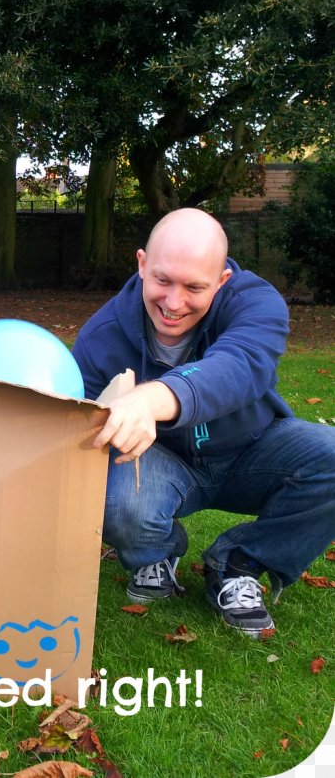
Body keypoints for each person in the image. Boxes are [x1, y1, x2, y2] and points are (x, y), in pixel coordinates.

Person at [72, 208, 335, 637]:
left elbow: (240, 364)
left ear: (222, 280)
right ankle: (156, 552)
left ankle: (238, 561)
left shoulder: (258, 303)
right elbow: (77, 434)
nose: (174, 303)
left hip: (253, 447)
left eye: (195, 287)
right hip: (161, 460)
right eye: (161, 281)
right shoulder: (100, 336)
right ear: (141, 264)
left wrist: (153, 397)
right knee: (119, 503)